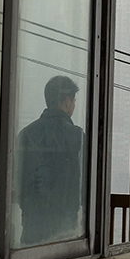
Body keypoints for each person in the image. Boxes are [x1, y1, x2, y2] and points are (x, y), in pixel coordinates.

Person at [16, 75, 84, 246]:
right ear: (67, 100)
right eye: (74, 100)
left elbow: (18, 179)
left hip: (32, 226)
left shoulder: (26, 134)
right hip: (65, 229)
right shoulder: (77, 137)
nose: (74, 105)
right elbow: (84, 183)